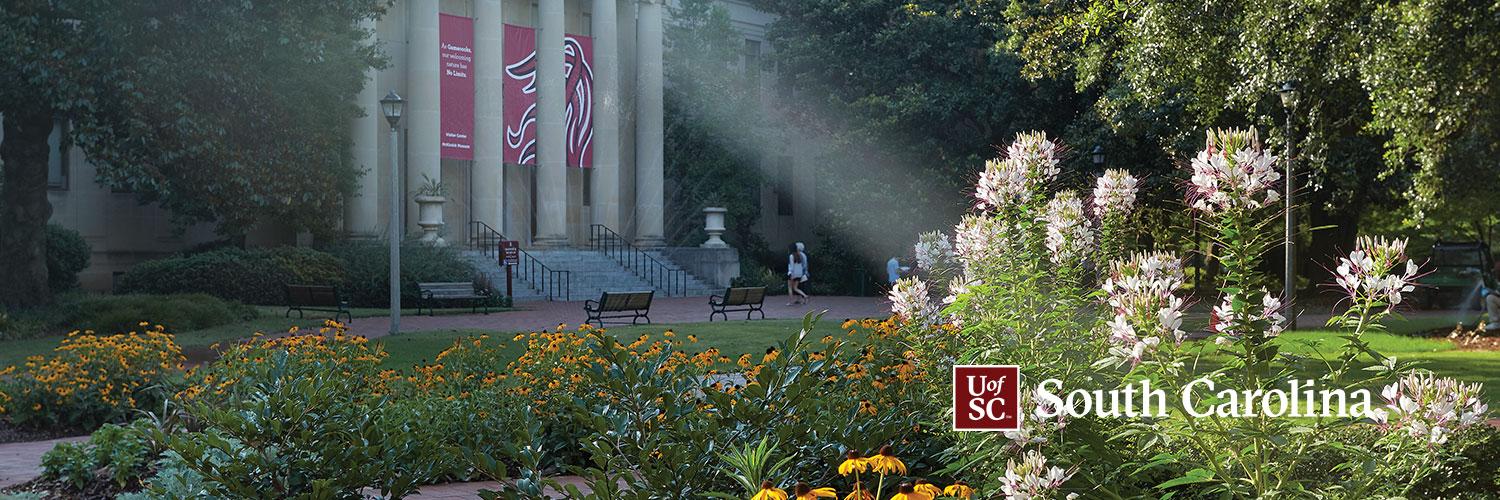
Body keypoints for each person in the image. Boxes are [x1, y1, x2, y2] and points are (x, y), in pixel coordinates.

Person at [1486, 260, 1500, 331]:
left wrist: (1494, 293)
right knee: (1490, 298)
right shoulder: (1497, 280)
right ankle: (1496, 323)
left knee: (1490, 298)